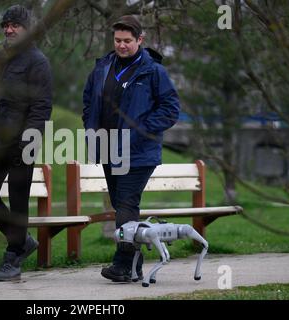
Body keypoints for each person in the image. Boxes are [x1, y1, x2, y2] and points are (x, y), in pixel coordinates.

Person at [82, 15, 180, 282]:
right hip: (108, 150)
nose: (122, 45)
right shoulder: (102, 67)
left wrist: (140, 131)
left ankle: (123, 264)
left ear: (140, 40)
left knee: (126, 205)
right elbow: (89, 101)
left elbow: (171, 110)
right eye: (117, 40)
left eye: (127, 41)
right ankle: (134, 264)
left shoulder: (154, 71)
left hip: (138, 153)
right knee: (122, 206)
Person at [0, 5, 52, 281]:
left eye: (15, 25)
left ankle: (13, 257)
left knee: (18, 199)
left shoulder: (37, 61)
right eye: (6, 25)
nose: (9, 29)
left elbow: (41, 107)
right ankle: (22, 241)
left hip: (21, 142)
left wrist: (29, 140)